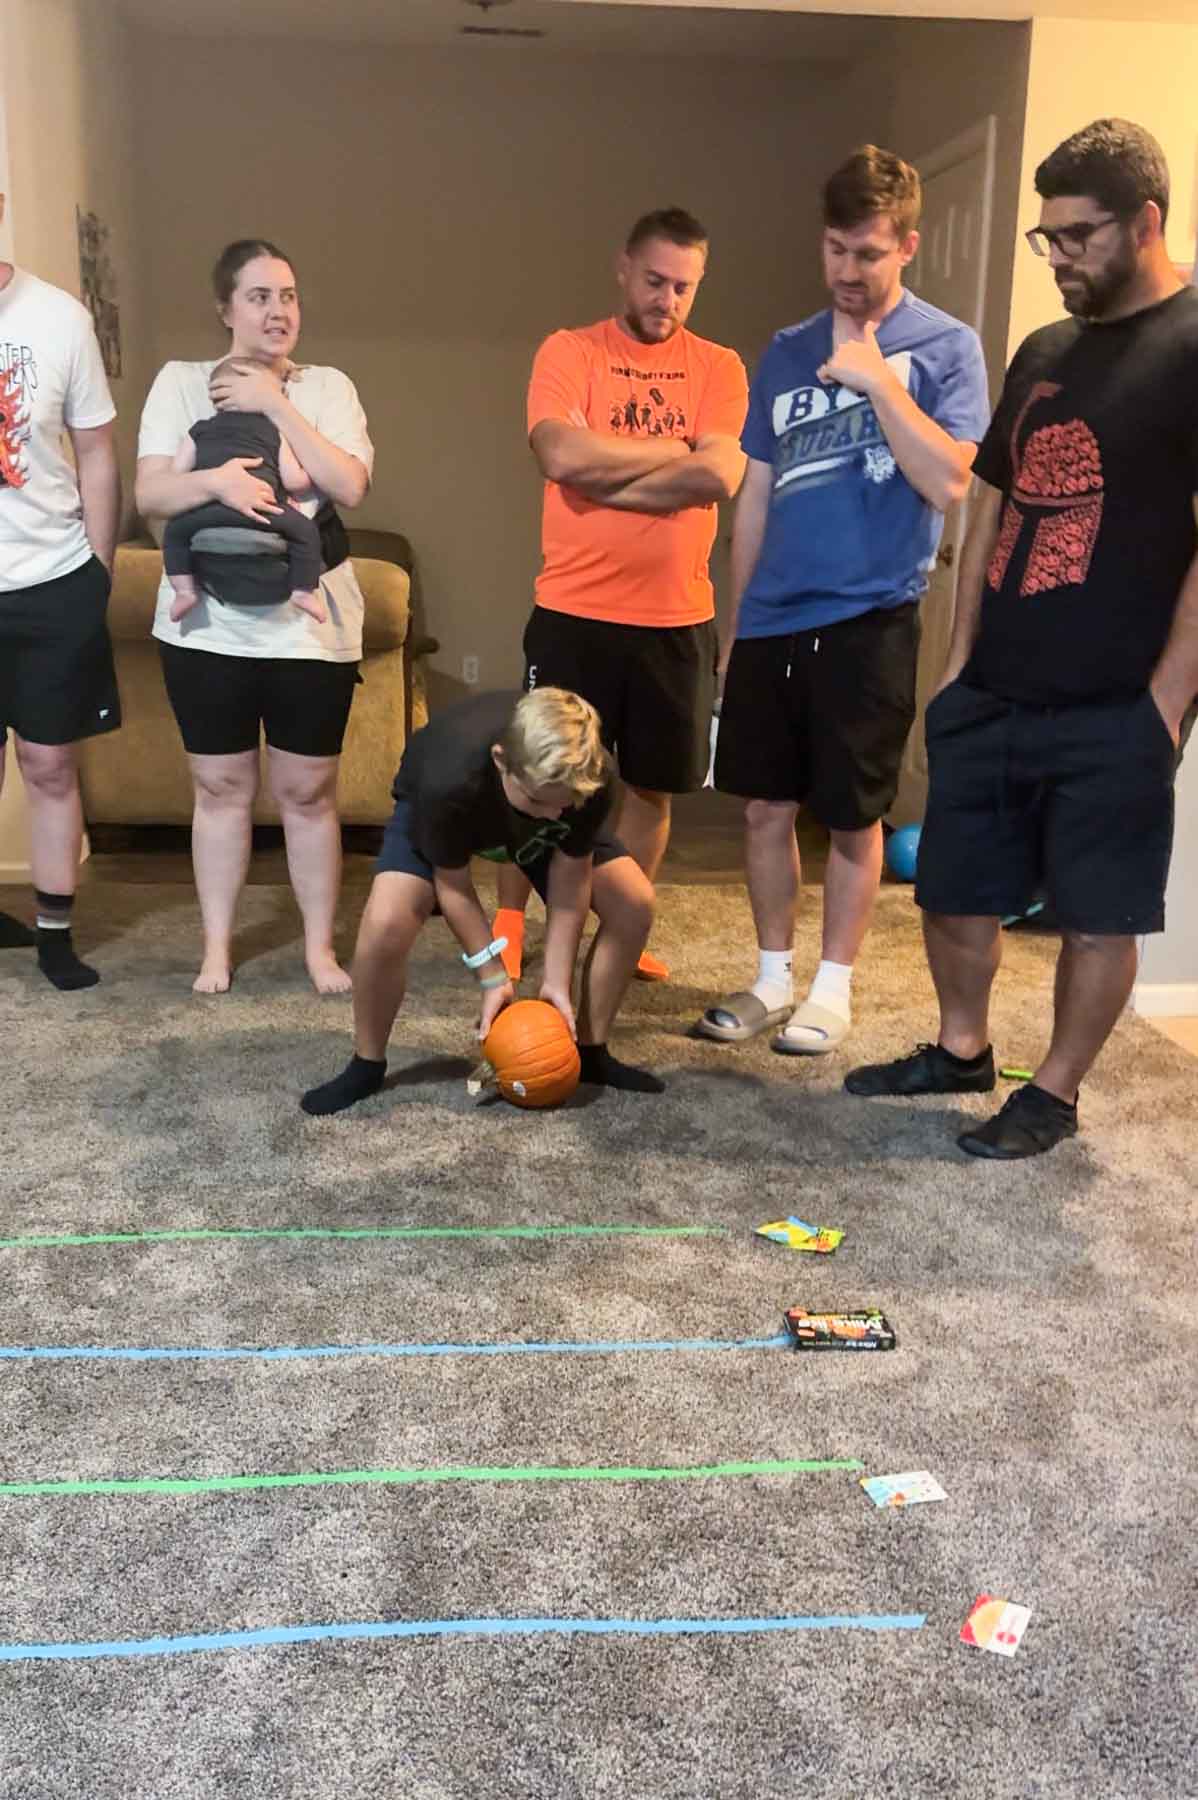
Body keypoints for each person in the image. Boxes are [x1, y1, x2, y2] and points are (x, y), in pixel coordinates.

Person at [845, 119, 1198, 1159]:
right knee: (953, 889)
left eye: (1077, 237)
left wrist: (1167, 700)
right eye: (1044, 238)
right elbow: (989, 505)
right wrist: (956, 670)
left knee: (1097, 914)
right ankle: (961, 1048)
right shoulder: (1045, 349)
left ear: (1144, 222)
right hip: (997, 686)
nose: (1057, 260)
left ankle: (1052, 1089)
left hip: (1115, 702)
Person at [696, 147, 988, 1057]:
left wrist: (879, 379)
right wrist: (733, 625)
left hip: (870, 618)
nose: (849, 273)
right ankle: (772, 978)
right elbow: (755, 497)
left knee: (855, 816)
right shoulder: (783, 352)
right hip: (774, 616)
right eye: (835, 251)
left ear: (908, 244)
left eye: (868, 253)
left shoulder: (946, 348)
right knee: (762, 810)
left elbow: (950, 484)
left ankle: (833, 989)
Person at [492, 207, 748, 986]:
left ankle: (618, 927)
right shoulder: (570, 352)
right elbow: (559, 453)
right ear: (623, 267)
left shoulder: (720, 366)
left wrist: (613, 475)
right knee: (538, 778)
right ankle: (509, 927)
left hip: (677, 619)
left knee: (651, 787)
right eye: (654, 280)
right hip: (574, 610)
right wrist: (673, 451)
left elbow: (720, 475)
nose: (667, 298)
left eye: (684, 286)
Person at [136, 238, 373, 995]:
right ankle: (216, 948)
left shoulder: (329, 386)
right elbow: (151, 497)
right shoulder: (180, 384)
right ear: (226, 308)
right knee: (220, 788)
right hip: (206, 622)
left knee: (308, 792)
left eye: (289, 296)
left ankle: (317, 951)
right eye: (260, 297)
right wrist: (217, 483)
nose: (279, 311)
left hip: (311, 622)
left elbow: (351, 485)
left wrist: (275, 403)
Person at [301, 686, 661, 1117]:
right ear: (500, 760)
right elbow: (452, 885)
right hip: (449, 811)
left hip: (537, 802)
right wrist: (492, 975)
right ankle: (367, 1062)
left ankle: (591, 1051)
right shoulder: (447, 780)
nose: (551, 816)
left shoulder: (585, 780)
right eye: (536, 801)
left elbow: (571, 880)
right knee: (385, 925)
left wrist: (556, 982)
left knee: (634, 903)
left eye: (563, 807)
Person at [0, 191, 122, 989]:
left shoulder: (59, 319)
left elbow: (99, 454)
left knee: (49, 763)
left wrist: (99, 574)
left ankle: (53, 933)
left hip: (51, 579)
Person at [162, 355, 325, 624]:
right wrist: (311, 476)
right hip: (263, 510)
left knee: (175, 532)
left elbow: (176, 477)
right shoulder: (274, 430)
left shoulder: (199, 430)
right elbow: (295, 481)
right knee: (306, 531)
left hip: (208, 511)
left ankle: (184, 591)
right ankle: (303, 591)